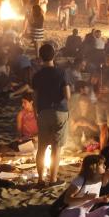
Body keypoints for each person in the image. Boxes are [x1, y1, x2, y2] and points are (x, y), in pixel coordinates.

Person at [32, 44, 71, 185]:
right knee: (56, 147)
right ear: (54, 56)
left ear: (40, 57)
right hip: (59, 112)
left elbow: (34, 98)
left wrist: (36, 113)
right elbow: (67, 96)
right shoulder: (61, 73)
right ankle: (53, 179)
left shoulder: (37, 75)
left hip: (43, 112)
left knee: (42, 147)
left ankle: (41, 179)